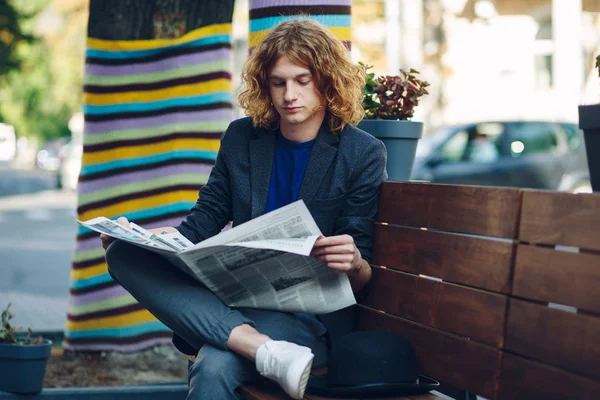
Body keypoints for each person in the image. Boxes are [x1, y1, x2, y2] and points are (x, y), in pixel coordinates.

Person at [102, 19, 387, 400]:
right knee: (123, 253)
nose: (289, 94)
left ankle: (260, 347)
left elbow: (361, 274)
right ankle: (263, 349)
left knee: (214, 366)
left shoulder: (361, 153)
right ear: (264, 84)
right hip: (233, 301)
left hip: (307, 321)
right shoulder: (241, 137)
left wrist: (352, 261)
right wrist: (156, 240)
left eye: (302, 81)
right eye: (278, 81)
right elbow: (203, 220)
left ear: (327, 79)